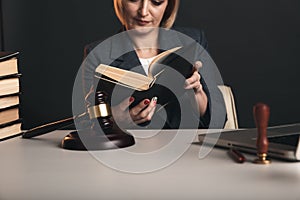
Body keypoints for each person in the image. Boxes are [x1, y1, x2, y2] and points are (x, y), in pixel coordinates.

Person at [82, 0, 226, 129]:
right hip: (128, 152)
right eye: (133, 0)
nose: (144, 12)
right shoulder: (97, 54)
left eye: (156, 2)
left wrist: (198, 94)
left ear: (168, 5)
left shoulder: (192, 41)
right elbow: (85, 125)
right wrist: (114, 121)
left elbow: (220, 117)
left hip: (187, 150)